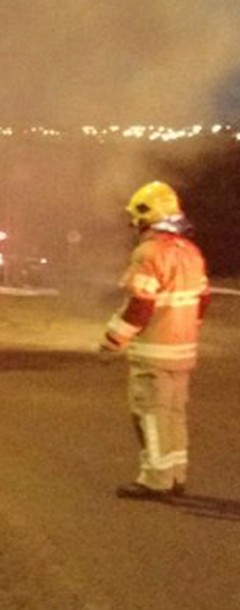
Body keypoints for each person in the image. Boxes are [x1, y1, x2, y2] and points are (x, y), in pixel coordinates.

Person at [100, 181, 209, 500]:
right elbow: (202, 300)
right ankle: (175, 474)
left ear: (146, 218)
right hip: (182, 352)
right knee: (174, 415)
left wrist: (113, 340)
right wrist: (187, 328)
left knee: (151, 415)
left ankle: (156, 480)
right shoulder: (190, 252)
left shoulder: (150, 252)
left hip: (153, 353)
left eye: (137, 220)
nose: (135, 226)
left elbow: (140, 305)